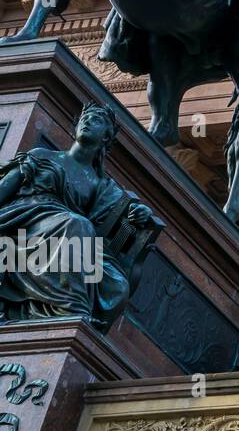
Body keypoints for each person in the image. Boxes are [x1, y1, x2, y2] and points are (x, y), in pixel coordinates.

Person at [0, 103, 155, 329]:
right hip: (25, 220)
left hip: (66, 236)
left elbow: (117, 223)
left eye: (97, 120)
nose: (88, 121)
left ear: (106, 137)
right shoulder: (41, 156)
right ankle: (74, 310)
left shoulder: (103, 186)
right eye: (86, 117)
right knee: (77, 224)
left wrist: (139, 216)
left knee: (116, 285)